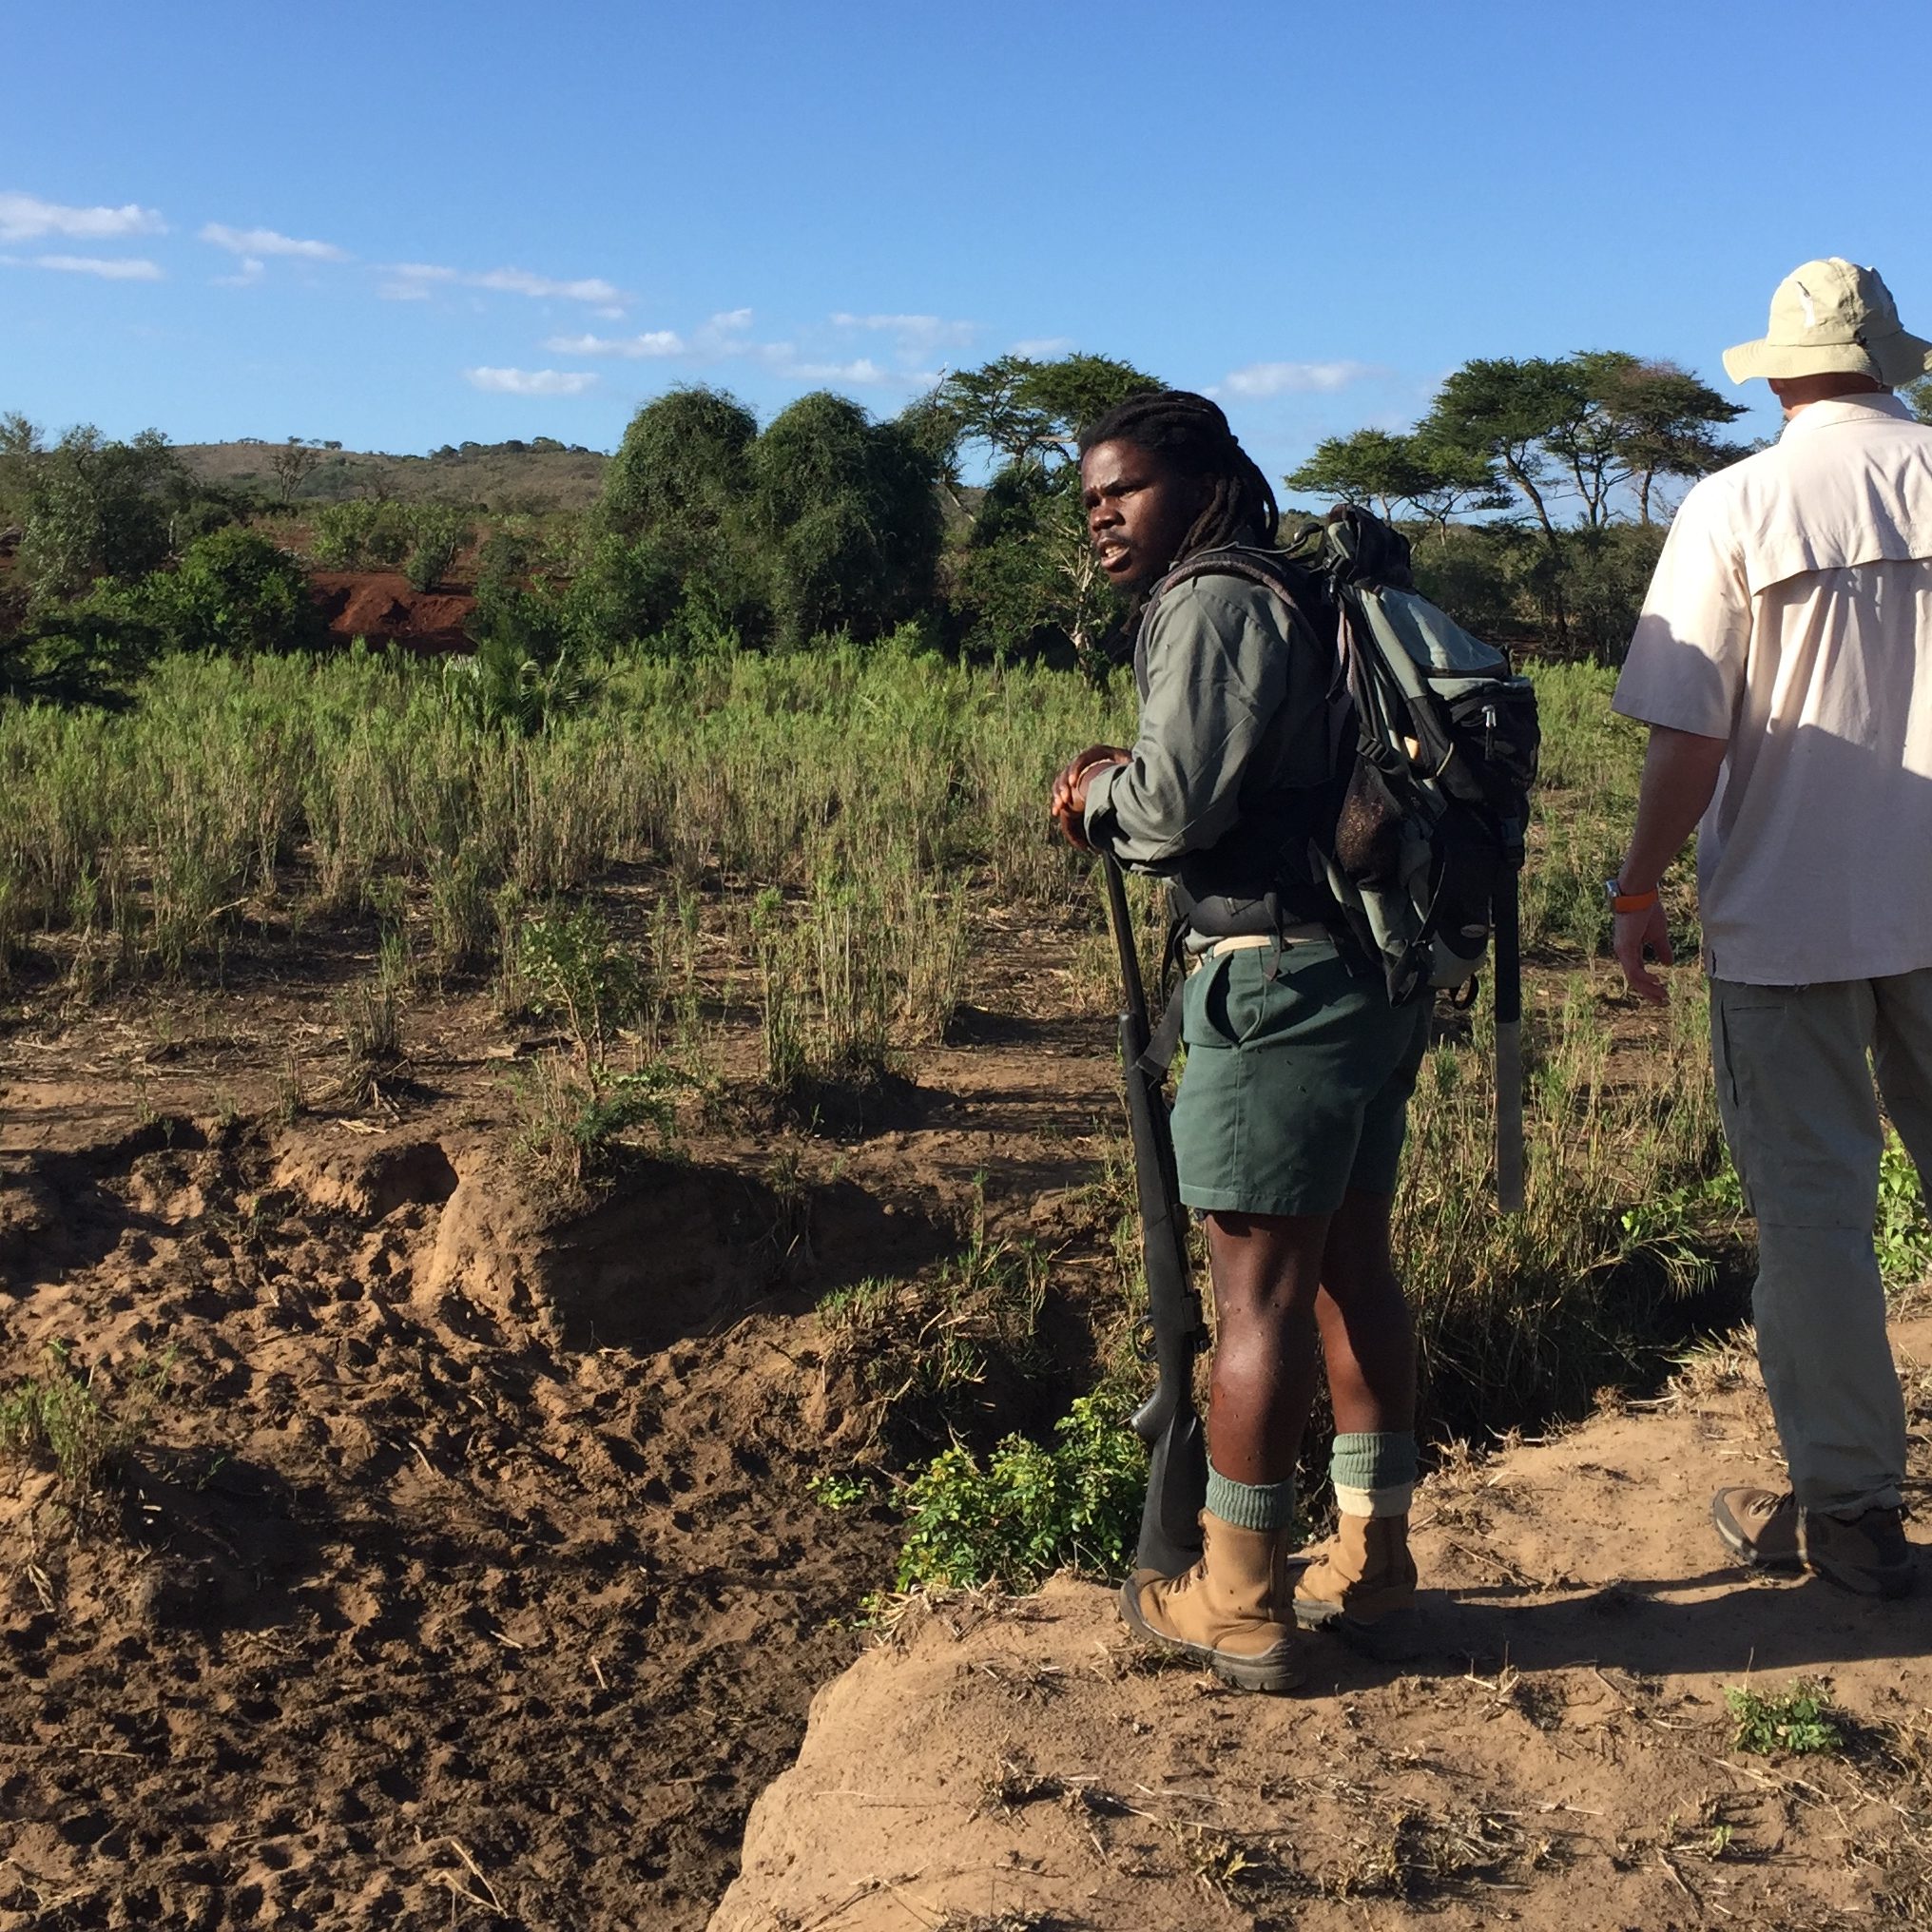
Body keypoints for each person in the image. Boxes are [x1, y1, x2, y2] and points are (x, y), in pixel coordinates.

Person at [1049, 391, 1431, 1691]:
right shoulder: (1294, 588)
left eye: (1127, 489)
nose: (1102, 511)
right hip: (1368, 976)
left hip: (1276, 987)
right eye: (1092, 493)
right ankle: (1372, 1562)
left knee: (1254, 1299)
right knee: (1351, 1273)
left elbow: (1172, 805)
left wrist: (1096, 793)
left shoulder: (1211, 599)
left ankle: (1241, 1594)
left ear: (1203, 484)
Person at [1611, 258, 1932, 1599]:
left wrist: (1637, 888)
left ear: (1782, 373)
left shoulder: (1734, 504)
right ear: (1894, 362)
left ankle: (1851, 1513)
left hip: (1785, 919)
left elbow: (1694, 732)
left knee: (1815, 1224)